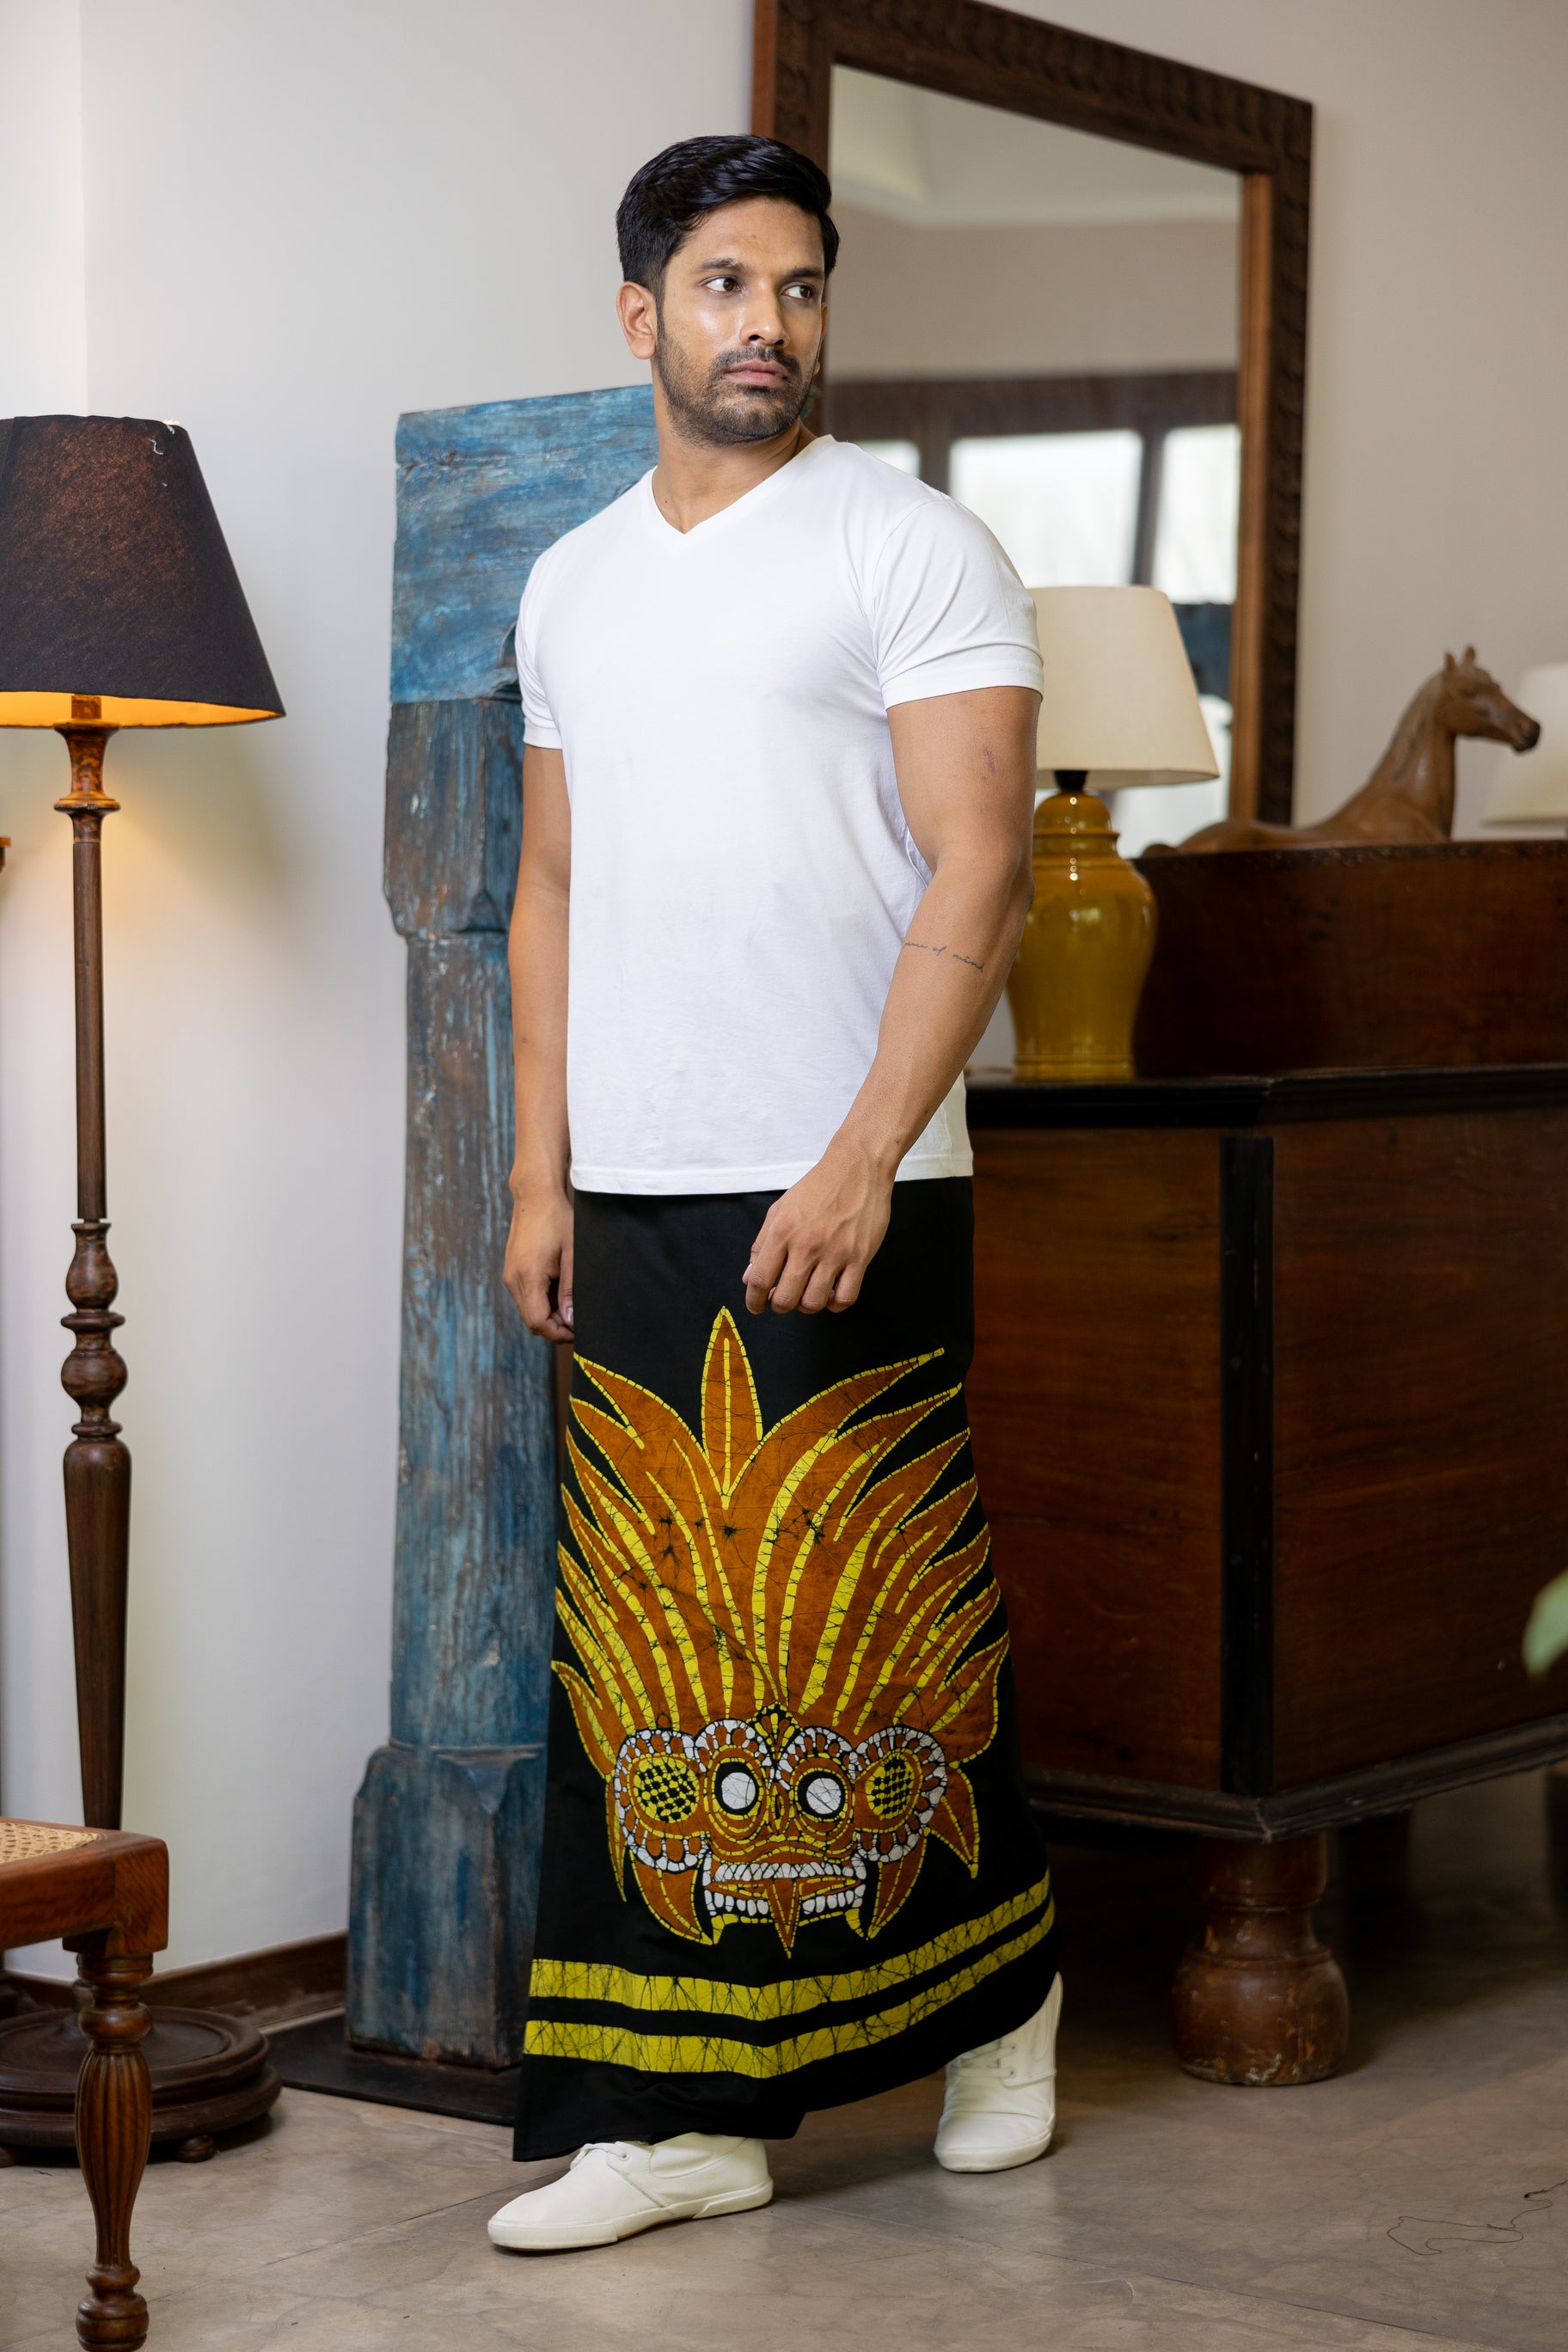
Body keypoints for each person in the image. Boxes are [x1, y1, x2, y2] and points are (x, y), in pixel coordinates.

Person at [488, 132, 1061, 2257]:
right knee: (647, 1655)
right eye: (730, 285)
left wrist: (859, 1156)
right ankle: (685, 2118)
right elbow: (551, 888)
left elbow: (982, 865)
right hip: (631, 1183)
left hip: (853, 1177)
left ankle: (1002, 2005)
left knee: (882, 1623)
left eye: (802, 287)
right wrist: (536, 1171)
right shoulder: (569, 581)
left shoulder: (914, 546)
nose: (771, 325)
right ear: (641, 313)